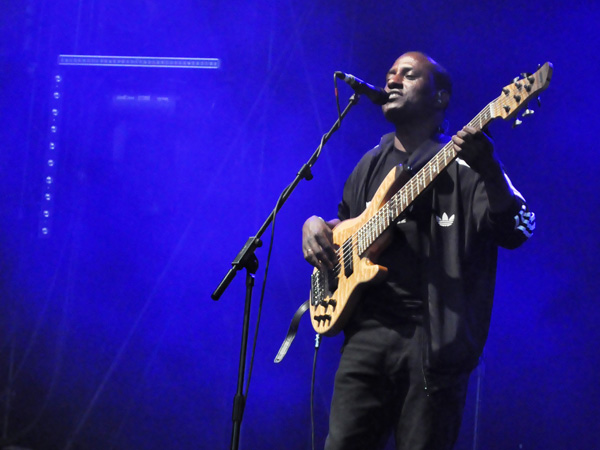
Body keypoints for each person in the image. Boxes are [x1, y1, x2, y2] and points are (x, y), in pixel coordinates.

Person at [301, 51, 535, 450]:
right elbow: (343, 228)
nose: (392, 80)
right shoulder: (368, 164)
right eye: (390, 73)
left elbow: (518, 229)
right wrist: (313, 225)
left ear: (440, 97)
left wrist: (491, 169)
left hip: (432, 345)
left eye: (408, 75)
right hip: (365, 338)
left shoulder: (465, 166)